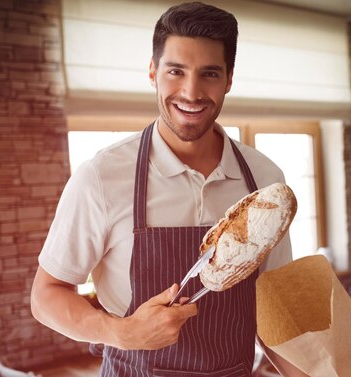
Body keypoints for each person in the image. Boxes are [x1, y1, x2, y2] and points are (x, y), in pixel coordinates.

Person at [31, 2, 294, 375]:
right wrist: (121, 332)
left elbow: (275, 308)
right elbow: (45, 296)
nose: (191, 92)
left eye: (210, 74)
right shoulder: (103, 177)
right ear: (153, 72)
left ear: (229, 80)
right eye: (176, 71)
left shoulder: (265, 179)